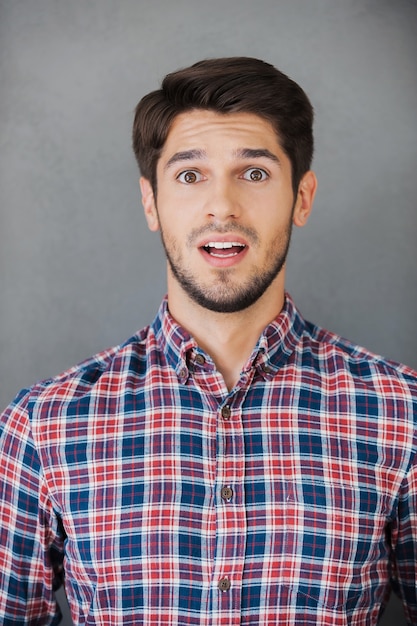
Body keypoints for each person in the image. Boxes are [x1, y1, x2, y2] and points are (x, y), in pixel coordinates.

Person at [0, 57, 416, 626]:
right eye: (190, 175)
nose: (222, 206)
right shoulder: (41, 427)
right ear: (151, 202)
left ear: (302, 197)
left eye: (254, 173)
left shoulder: (403, 414)